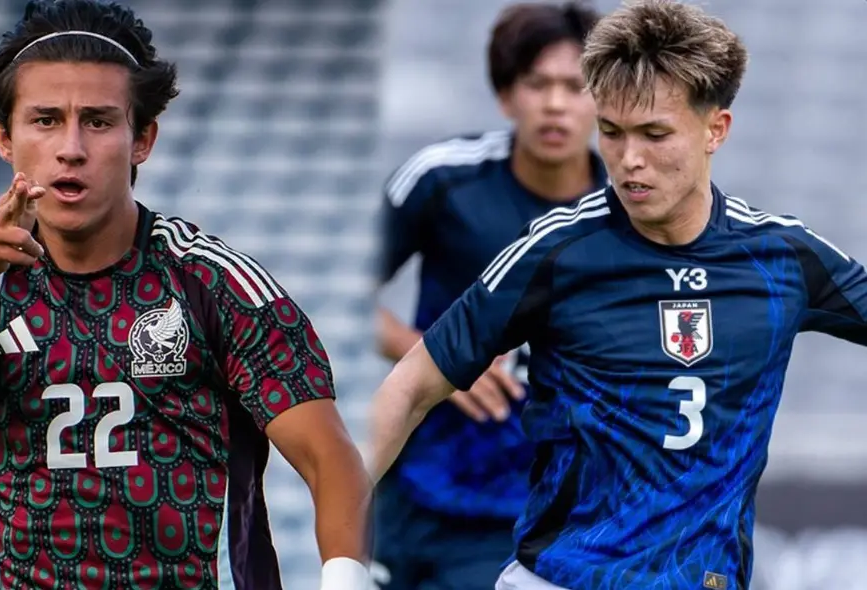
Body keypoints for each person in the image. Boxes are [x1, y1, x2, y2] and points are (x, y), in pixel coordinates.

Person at [369, 1, 867, 589]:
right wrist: (332, 547)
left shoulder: (782, 258)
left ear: (716, 130)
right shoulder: (556, 251)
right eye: (612, 132)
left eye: (655, 134)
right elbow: (407, 389)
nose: (630, 160)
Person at [0, 1, 371, 589]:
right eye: (45, 120)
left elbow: (329, 459)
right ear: (5, 137)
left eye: (99, 121)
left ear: (142, 139)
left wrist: (344, 580)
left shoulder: (215, 283)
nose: (70, 148)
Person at [370, 3, 604, 588]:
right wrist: (435, 357)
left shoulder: (629, 216)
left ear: (603, 99)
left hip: (525, 517)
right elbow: (328, 293)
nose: (555, 103)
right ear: (506, 96)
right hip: (408, 488)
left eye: (575, 86)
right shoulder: (442, 178)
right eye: (537, 84)